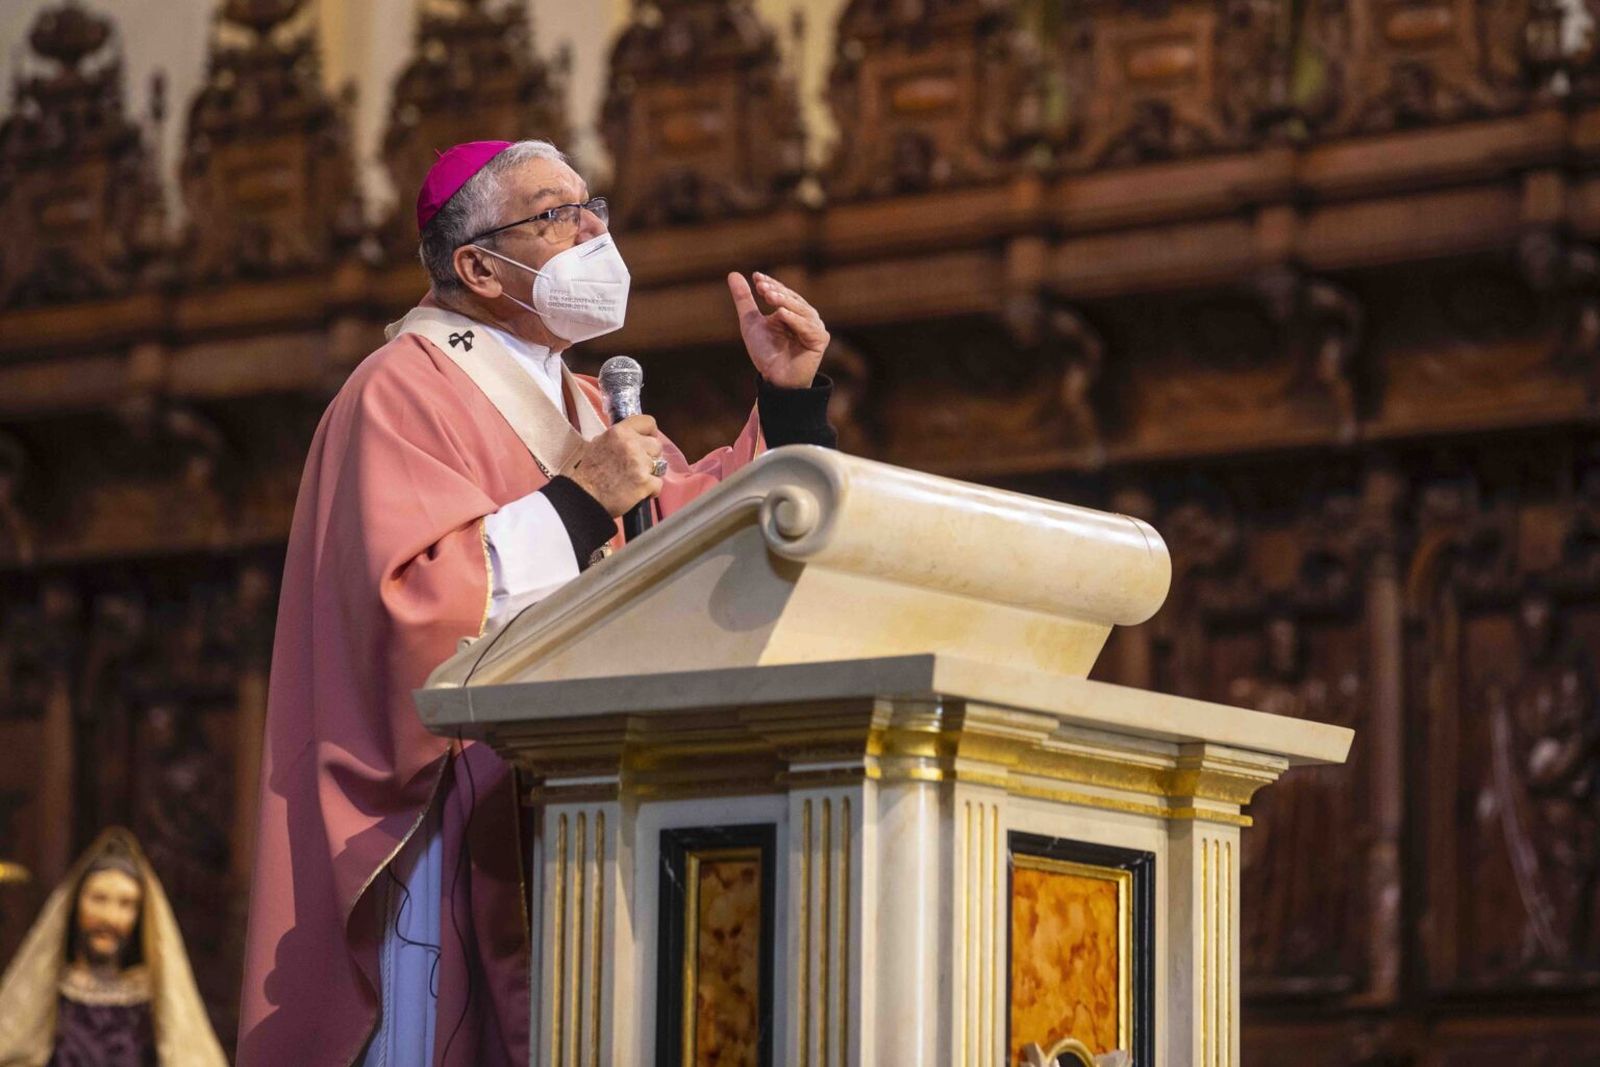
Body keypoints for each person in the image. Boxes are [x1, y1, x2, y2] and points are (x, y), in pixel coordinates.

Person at [237, 139, 836, 1066]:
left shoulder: (589, 403)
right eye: (558, 214)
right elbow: (414, 610)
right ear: (477, 265)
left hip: (595, 807)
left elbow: (691, 544)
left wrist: (787, 402)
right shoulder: (395, 390)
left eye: (594, 205)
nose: (596, 229)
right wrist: (574, 501)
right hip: (454, 818)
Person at [0, 827, 226, 1067]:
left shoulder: (152, 1004)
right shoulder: (47, 996)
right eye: (99, 899)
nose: (110, 917)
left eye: (126, 904)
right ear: (76, 905)